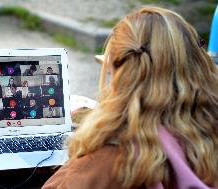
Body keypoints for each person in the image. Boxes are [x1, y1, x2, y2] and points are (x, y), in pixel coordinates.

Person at [42, 6, 218, 189]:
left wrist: (88, 142)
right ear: (199, 65)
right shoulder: (208, 140)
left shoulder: (108, 161)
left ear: (120, 75)